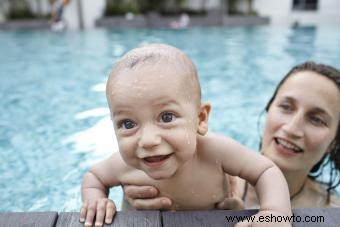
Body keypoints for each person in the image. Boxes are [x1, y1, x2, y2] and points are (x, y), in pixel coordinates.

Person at [79, 44, 292, 227]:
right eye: (128, 123)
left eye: (167, 117)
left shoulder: (214, 152)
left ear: (200, 118)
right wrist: (96, 199)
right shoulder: (124, 165)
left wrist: (275, 212)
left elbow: (266, 171)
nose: (148, 140)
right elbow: (94, 178)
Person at [123, 61, 340, 210]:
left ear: (334, 141)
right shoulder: (200, 174)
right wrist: (134, 205)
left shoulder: (331, 210)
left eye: (317, 119)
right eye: (286, 107)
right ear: (268, 109)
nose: (292, 128)